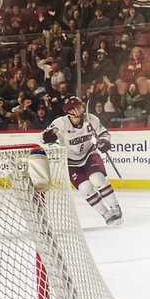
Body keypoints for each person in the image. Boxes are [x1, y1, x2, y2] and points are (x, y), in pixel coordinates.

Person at [41, 96, 123, 226]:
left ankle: (115, 208)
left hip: (89, 154)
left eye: (80, 105)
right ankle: (106, 214)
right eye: (77, 107)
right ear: (70, 111)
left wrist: (105, 142)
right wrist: (48, 137)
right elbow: (44, 136)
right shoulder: (60, 123)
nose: (81, 108)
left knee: (97, 179)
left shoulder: (91, 119)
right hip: (71, 162)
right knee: (85, 189)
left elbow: (103, 133)